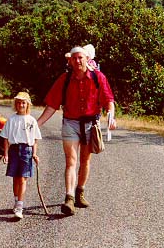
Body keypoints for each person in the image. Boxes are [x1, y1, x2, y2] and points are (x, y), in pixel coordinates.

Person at [37, 46, 116, 216]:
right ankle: (69, 198)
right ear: (71, 61)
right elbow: (52, 105)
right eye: (75, 58)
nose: (78, 61)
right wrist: (38, 124)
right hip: (70, 123)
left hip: (90, 124)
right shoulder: (64, 79)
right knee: (70, 161)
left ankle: (80, 192)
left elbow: (109, 100)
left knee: (85, 160)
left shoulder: (98, 77)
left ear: (87, 59)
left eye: (81, 58)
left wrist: (111, 116)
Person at [0, 92, 41, 219]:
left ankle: (19, 207)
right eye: (18, 103)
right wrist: (5, 154)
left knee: (23, 178)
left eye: (23, 103)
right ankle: (16, 200)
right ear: (15, 104)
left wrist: (34, 154)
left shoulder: (31, 120)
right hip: (14, 150)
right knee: (15, 178)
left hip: (26, 151)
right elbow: (6, 138)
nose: (20, 105)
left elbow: (35, 139)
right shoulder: (11, 119)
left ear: (27, 104)